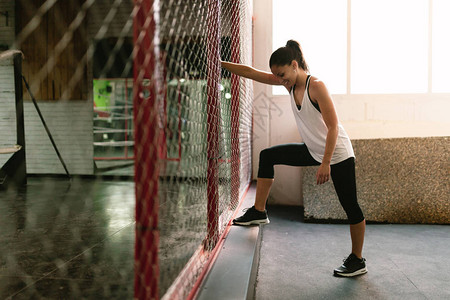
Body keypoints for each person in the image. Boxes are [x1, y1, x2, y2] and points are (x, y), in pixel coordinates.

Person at [221, 40, 367, 277]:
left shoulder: (316, 86)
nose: (280, 80)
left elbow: (333, 127)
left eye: (282, 75)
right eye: (276, 76)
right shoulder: (288, 83)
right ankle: (259, 211)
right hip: (312, 149)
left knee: (350, 206)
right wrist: (219, 63)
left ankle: (358, 260)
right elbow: (250, 72)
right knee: (268, 156)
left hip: (337, 155)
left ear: (294, 65)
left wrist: (326, 162)